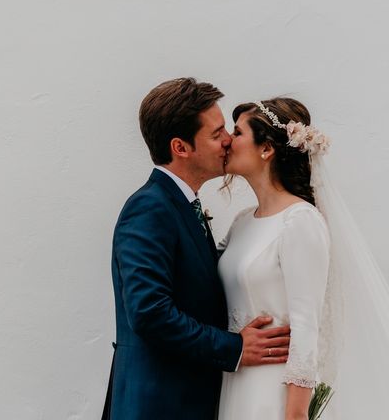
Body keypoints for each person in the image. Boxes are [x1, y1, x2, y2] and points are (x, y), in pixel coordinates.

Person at [102, 78, 291, 420]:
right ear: (181, 147)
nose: (228, 141)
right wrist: (235, 348)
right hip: (158, 406)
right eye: (217, 133)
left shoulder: (181, 205)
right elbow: (150, 312)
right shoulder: (149, 208)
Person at [218, 97, 389, 419]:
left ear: (266, 149)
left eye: (237, 133)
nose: (227, 140)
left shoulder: (300, 221)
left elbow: (307, 325)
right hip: (236, 380)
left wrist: (295, 413)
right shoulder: (242, 222)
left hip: (274, 390)